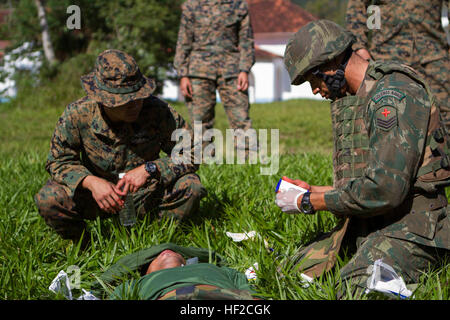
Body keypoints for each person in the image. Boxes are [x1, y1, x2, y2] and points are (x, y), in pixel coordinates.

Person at [276, 20, 450, 298]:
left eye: (314, 79)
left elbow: (386, 189)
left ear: (332, 65)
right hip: (377, 218)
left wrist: (317, 202)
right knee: (293, 271)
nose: (315, 91)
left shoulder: (392, 96)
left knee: (356, 287)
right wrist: (316, 192)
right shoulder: (369, 93)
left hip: (415, 227)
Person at [34, 49, 206, 248]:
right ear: (102, 98)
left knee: (191, 186)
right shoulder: (78, 114)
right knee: (49, 198)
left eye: (138, 96)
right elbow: (58, 160)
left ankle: (158, 242)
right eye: (124, 101)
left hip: (146, 194)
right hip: (95, 197)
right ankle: (84, 246)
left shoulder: (158, 111)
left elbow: (193, 151)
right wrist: (90, 182)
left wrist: (151, 169)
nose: (134, 104)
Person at [345, 0, 449, 131]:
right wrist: (359, 47)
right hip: (386, 55)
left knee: (445, 116)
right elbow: (357, 5)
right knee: (384, 117)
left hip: (433, 55)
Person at [174, 0, 256, 155]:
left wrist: (244, 70)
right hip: (198, 72)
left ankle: (248, 161)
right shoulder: (192, 6)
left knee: (241, 119)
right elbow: (183, 41)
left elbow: (246, 41)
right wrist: (182, 74)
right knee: (199, 121)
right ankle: (203, 163)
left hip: (232, 71)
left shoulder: (238, 5)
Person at [90, 243, 256, 300]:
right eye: (156, 258)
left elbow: (251, 295)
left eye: (176, 252)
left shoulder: (217, 269)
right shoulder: (135, 284)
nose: (166, 252)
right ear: (147, 272)